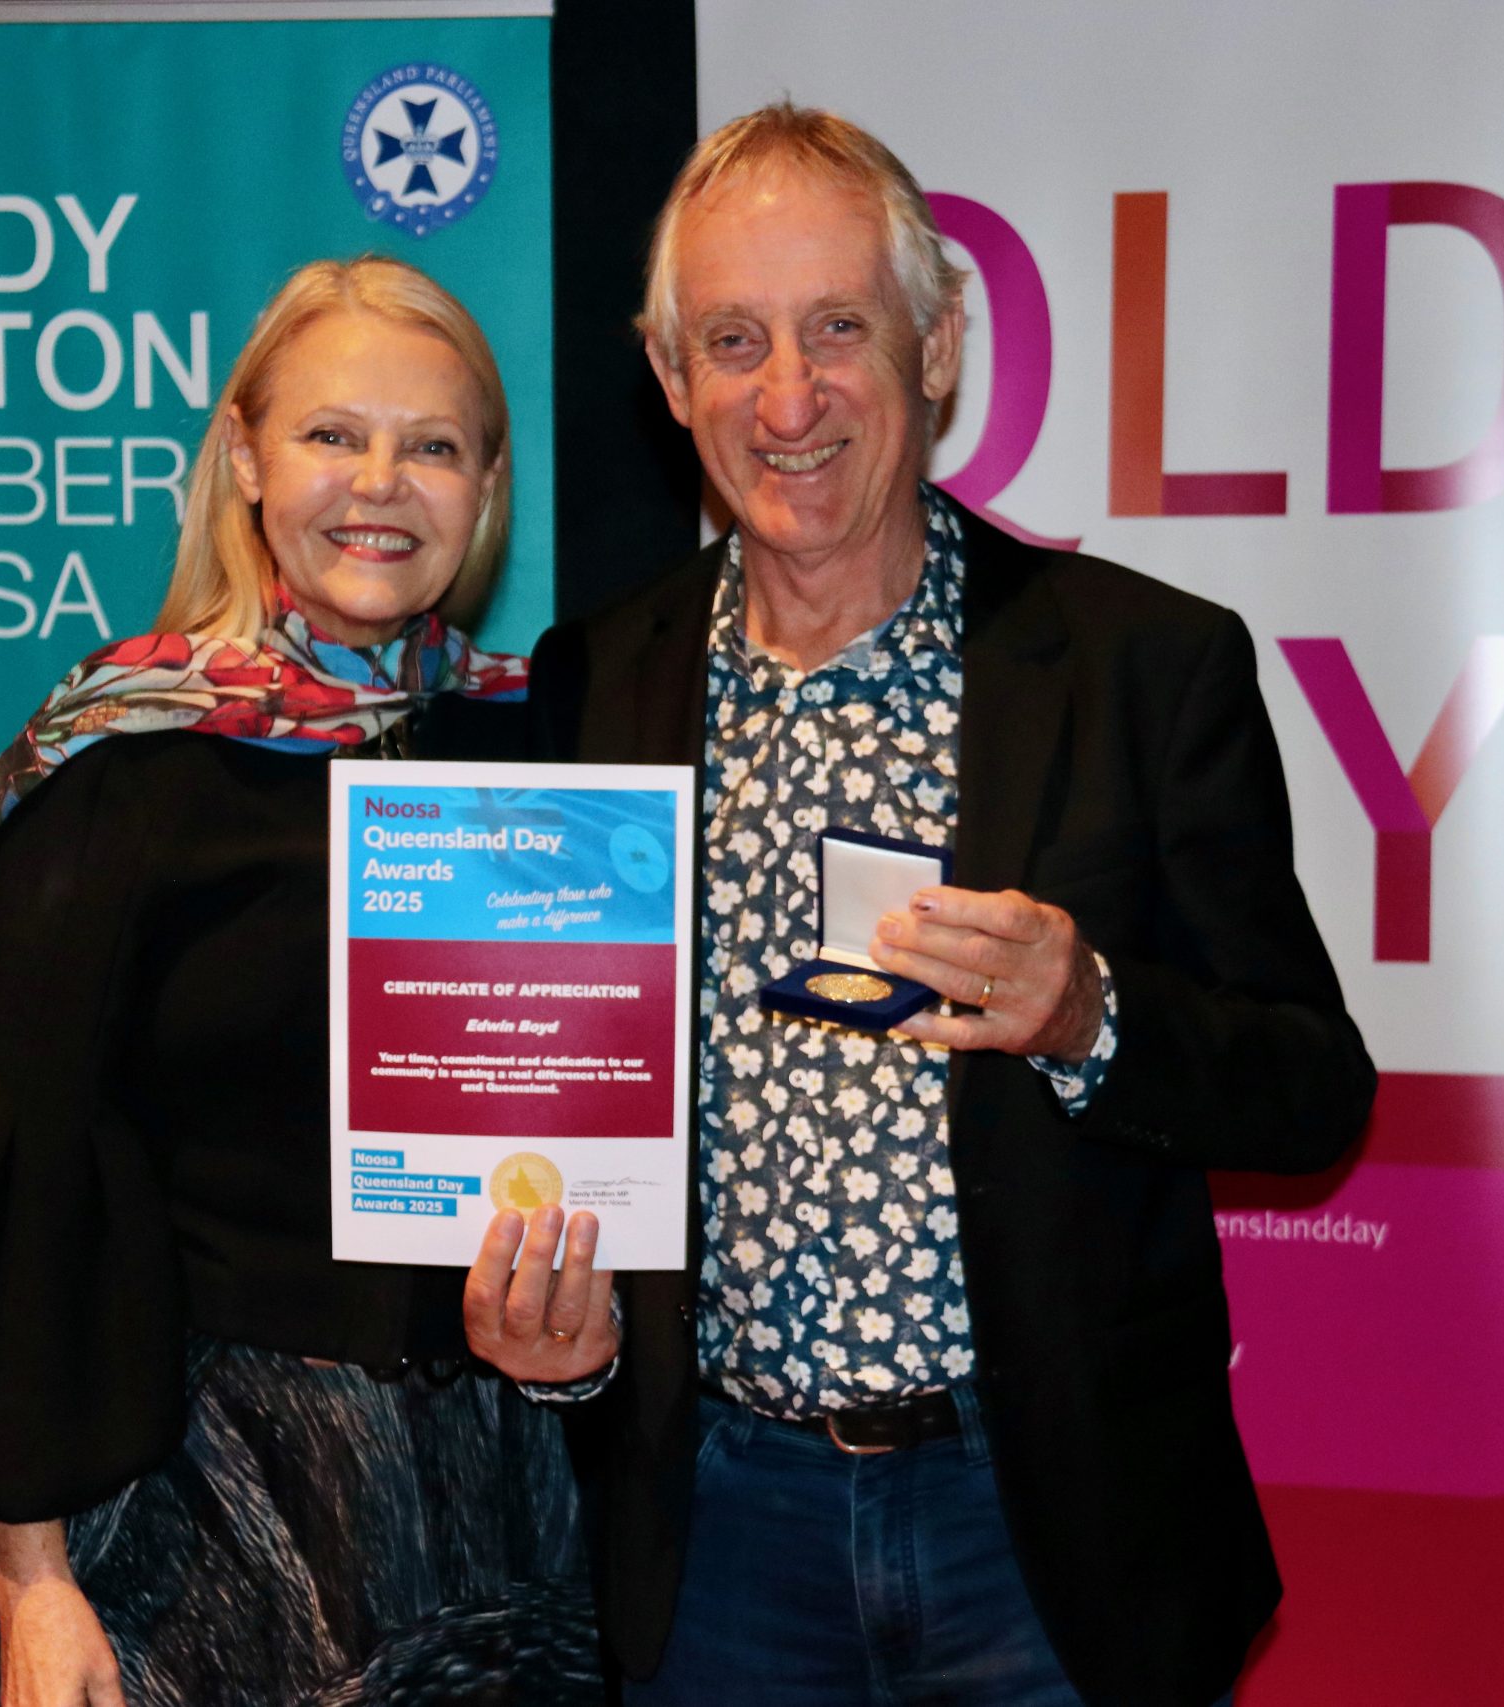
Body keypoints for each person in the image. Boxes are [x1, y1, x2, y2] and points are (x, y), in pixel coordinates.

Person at [466, 105, 1378, 1707]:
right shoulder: (597, 680)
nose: (789, 397)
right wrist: (561, 1336)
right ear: (670, 378)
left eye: (839, 329)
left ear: (937, 344)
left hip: (1039, 1534)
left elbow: (1311, 1088)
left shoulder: (1142, 667)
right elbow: (553, 1082)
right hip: (719, 1538)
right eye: (734, 342)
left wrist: (1093, 1018)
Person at [0, 256, 603, 1707]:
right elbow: (24, 1177)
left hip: (507, 1508)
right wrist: (33, 1584)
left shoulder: (551, 751)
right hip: (196, 1517)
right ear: (248, 458)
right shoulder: (118, 771)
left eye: (433, 445)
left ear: (488, 483)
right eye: (333, 434)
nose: (380, 483)